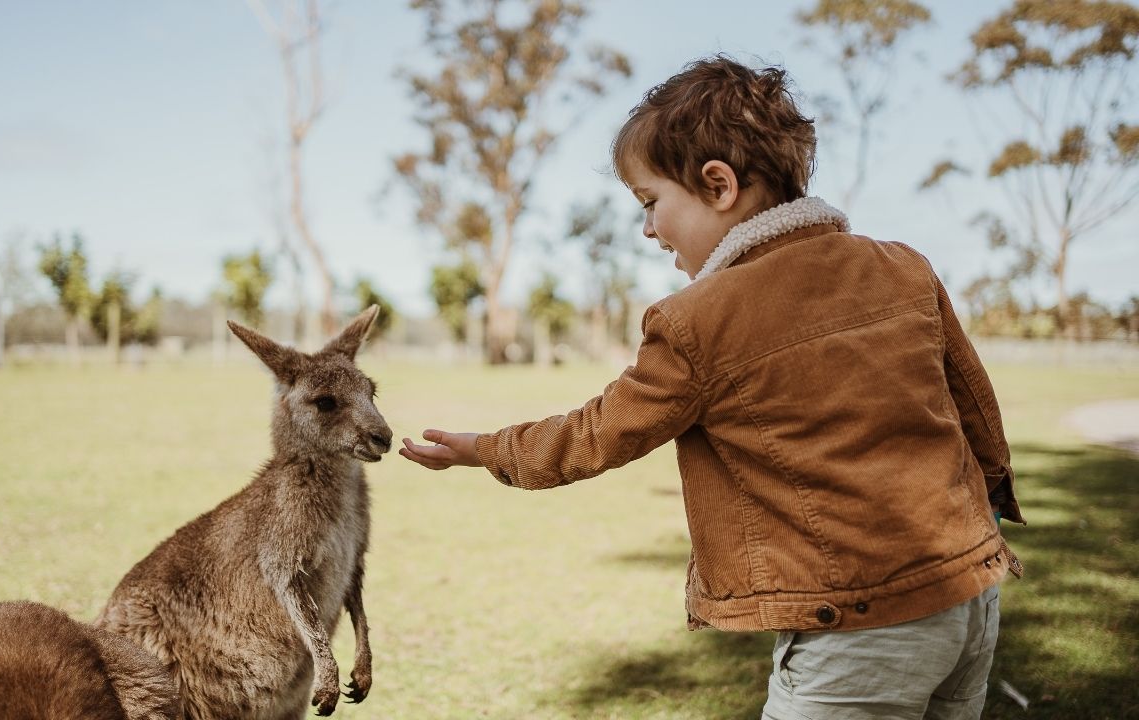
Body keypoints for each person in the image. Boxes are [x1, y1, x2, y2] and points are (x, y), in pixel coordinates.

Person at [399, 55, 1023, 720]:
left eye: (650, 203)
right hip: (969, 595)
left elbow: (596, 433)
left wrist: (486, 449)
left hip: (856, 626)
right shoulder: (902, 265)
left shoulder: (697, 321)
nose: (647, 229)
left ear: (718, 185)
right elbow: (974, 407)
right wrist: (985, 509)